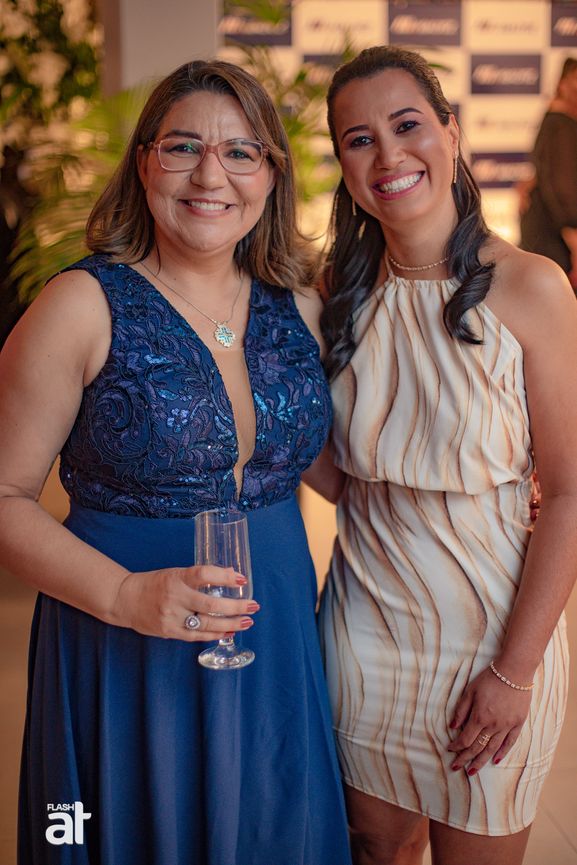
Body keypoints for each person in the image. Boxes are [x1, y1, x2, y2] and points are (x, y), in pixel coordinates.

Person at [0, 60, 353, 865]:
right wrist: (123, 596)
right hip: (118, 649)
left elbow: (337, 467)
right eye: (182, 146)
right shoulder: (79, 304)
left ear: (271, 174)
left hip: (275, 637)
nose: (209, 175)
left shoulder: (298, 304)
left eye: (240, 152)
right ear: (143, 163)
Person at [315, 45, 577, 865]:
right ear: (342, 163)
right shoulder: (332, 293)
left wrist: (513, 671)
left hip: (494, 636)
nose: (388, 155)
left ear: (450, 132)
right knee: (375, 848)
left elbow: (570, 493)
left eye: (407, 126)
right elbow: (339, 473)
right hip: (362, 629)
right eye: (359, 139)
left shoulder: (532, 287)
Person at [519, 57, 577, 290]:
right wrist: (573, 236)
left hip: (550, 233)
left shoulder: (557, 121)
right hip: (555, 237)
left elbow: (548, 171)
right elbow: (563, 187)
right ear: (562, 84)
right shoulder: (561, 124)